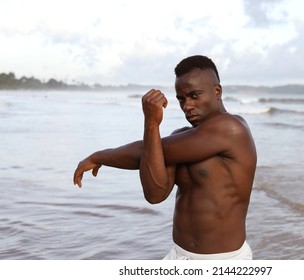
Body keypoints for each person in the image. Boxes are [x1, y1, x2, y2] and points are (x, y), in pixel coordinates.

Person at [73, 55, 257, 260]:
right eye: (181, 99)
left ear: (217, 92)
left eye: (195, 95)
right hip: (178, 256)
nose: (187, 106)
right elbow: (155, 194)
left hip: (224, 261)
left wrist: (99, 156)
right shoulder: (181, 136)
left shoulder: (231, 128)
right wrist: (151, 123)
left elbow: (144, 150)